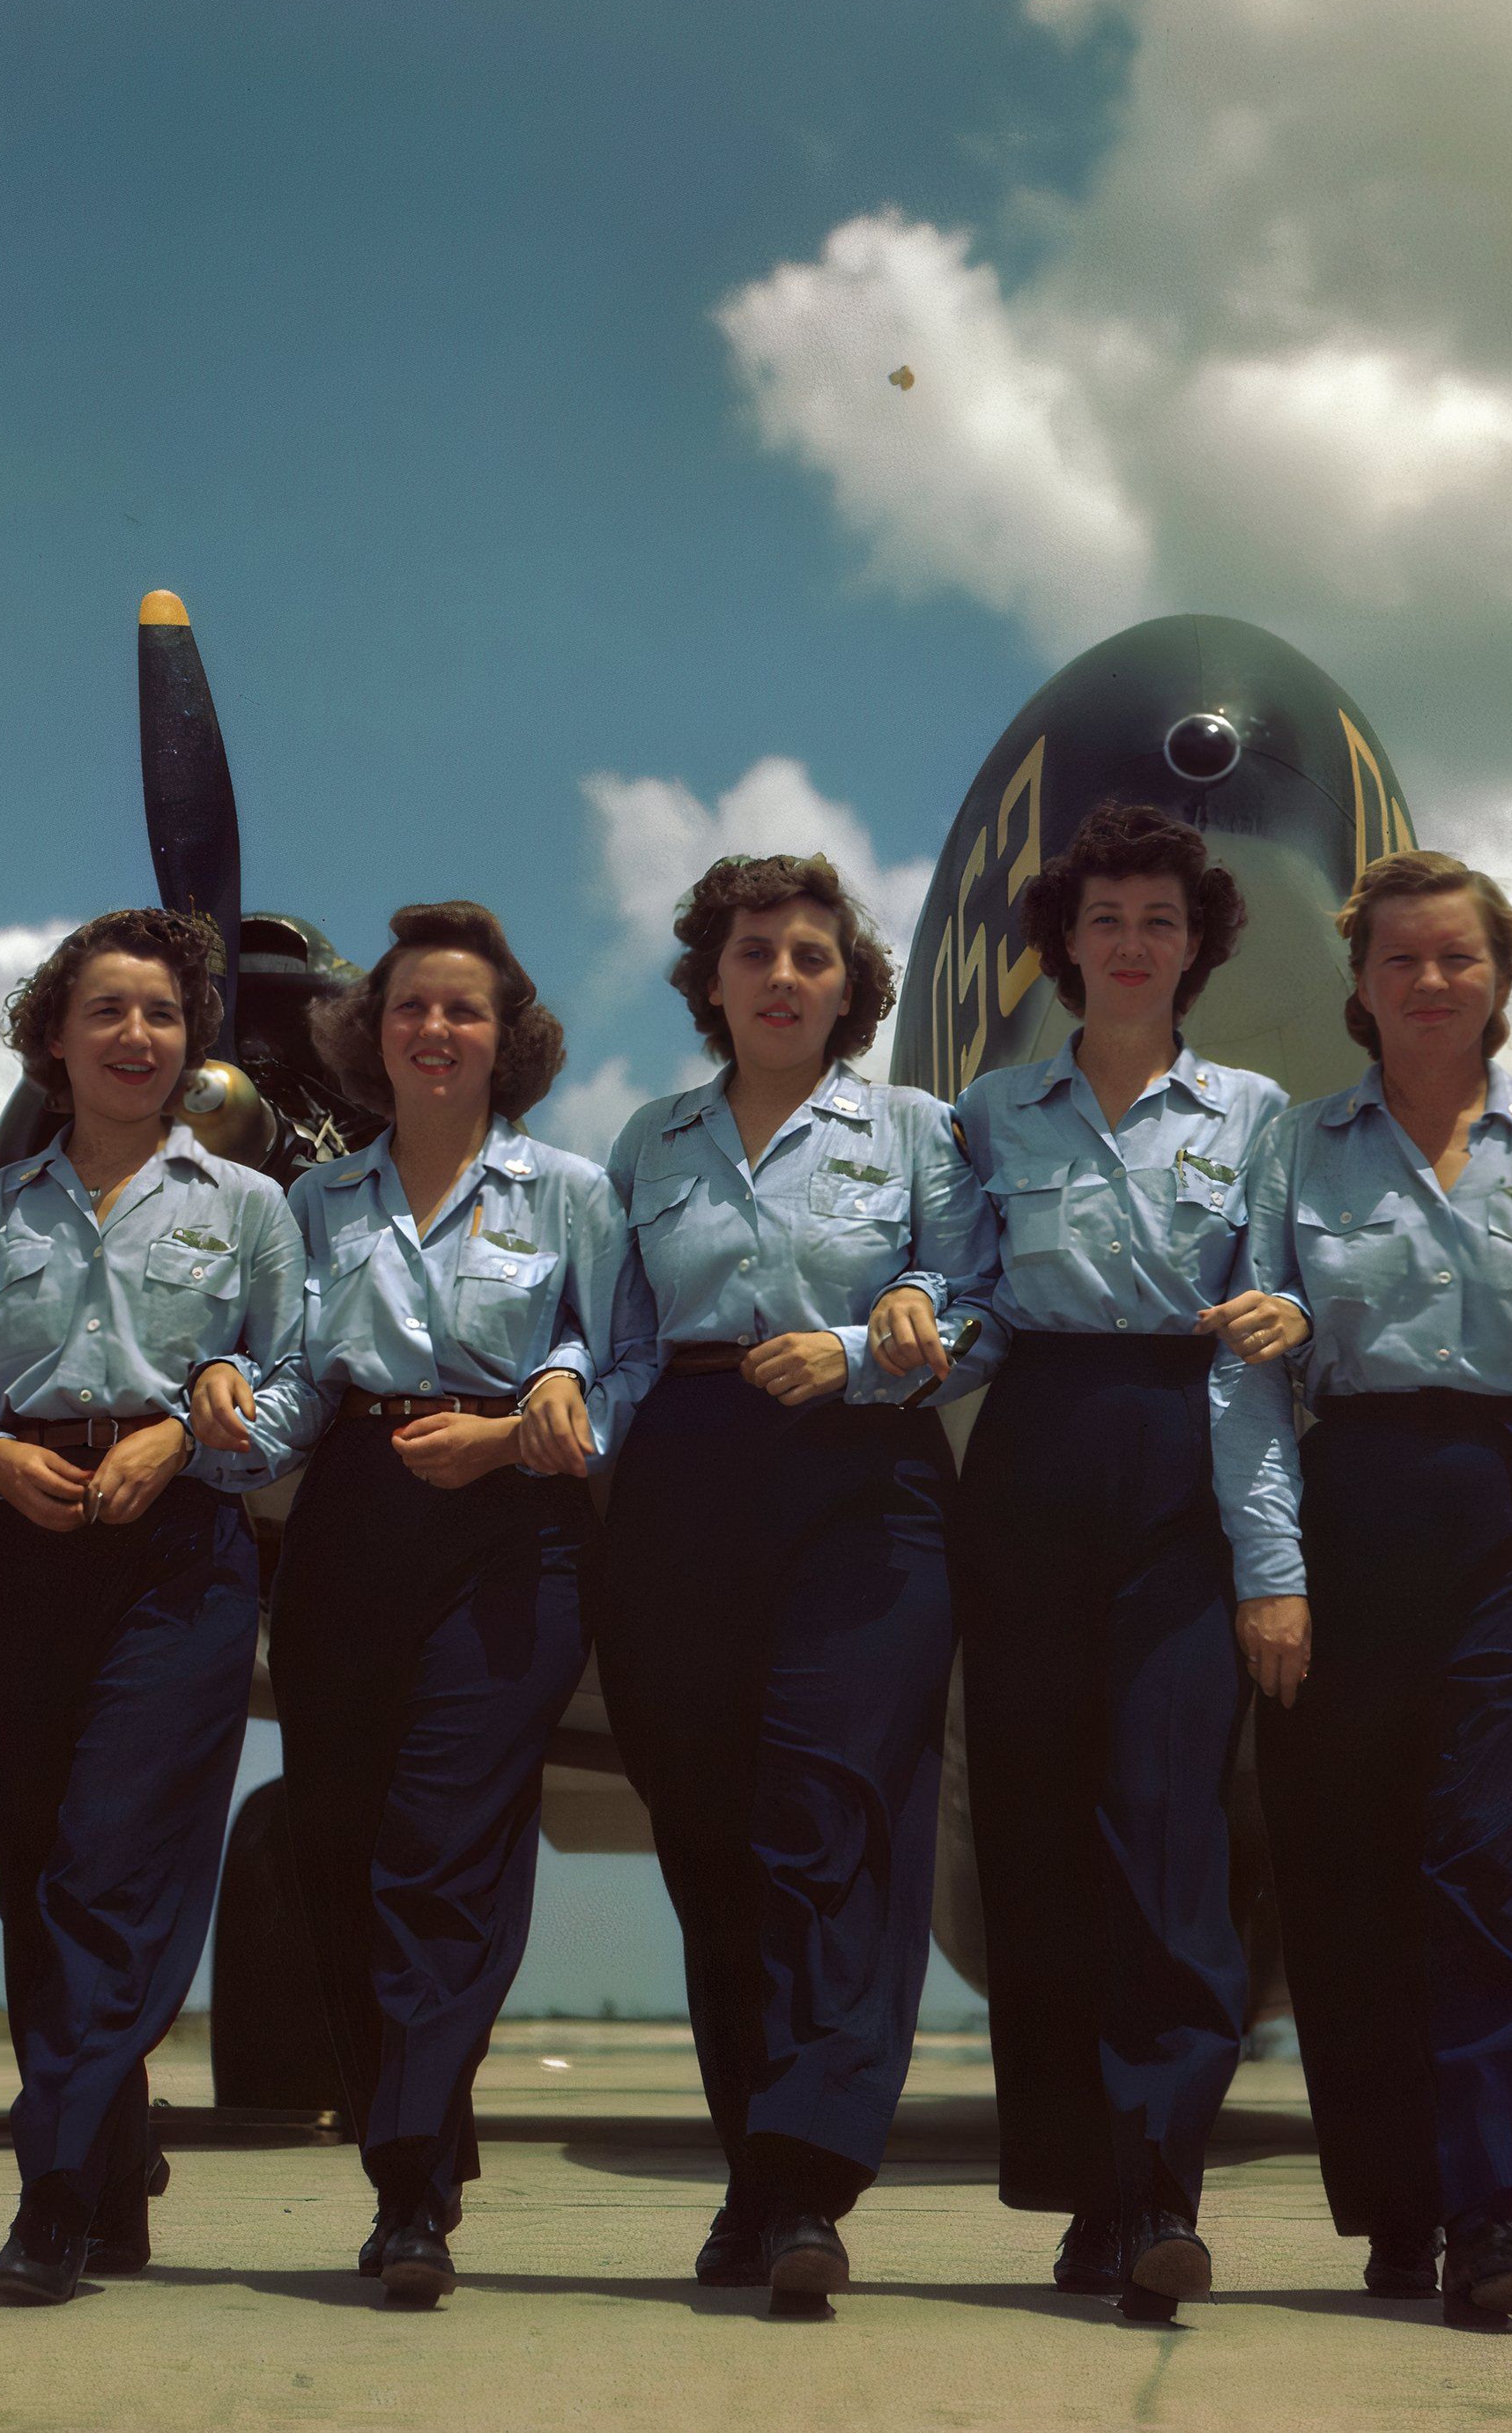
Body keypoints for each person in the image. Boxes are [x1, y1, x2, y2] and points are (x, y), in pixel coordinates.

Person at [1218, 849, 1512, 2326]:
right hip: (1350, 1518)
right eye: (1399, 959)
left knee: (1496, 1867)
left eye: (1455, 959)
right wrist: (1271, 1575)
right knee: (1344, 1876)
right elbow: (1251, 1375)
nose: (1428, 982)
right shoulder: (1297, 1147)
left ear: (1498, 981)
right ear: (1356, 985)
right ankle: (1391, 2210)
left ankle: (1490, 2211)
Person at [594, 853, 992, 2311]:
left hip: (861, 1479)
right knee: (706, 1832)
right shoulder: (650, 1139)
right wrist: (555, 1407)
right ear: (711, 978)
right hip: (684, 1476)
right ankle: (752, 2163)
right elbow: (621, 1339)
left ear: (849, 988)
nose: (779, 974)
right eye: (753, 949)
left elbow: (982, 1301)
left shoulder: (916, 1132)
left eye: (811, 954)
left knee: (824, 1814)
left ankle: (806, 2177)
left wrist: (879, 1336)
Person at [0, 908, 312, 2304]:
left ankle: (50, 2187)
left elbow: (295, 1392)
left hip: (180, 1554)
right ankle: (113, 2160)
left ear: (189, 1043)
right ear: (54, 1040)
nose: (135, 1035)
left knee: (106, 1868)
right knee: (34, 1868)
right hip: (24, 1553)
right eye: (106, 1012)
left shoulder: (251, 1208)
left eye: (159, 1014)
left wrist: (198, 1434)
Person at [946, 804, 1295, 2321]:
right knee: (1030, 1828)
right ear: (1064, 946)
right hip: (1029, 1442)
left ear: (1195, 944)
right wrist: (890, 1329)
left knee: (1166, 1825)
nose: (1132, 943)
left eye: (1159, 918)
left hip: (1183, 1442)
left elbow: (1281, 1310)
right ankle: (1078, 2189)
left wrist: (1267, 1543)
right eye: (1105, 919)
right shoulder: (990, 1114)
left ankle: (1159, 2179)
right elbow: (963, 1301)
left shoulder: (1260, 1115)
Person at [263, 901, 632, 2308]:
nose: (434, 1028)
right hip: (352, 1514)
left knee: (443, 1845)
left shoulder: (573, 1194)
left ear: (507, 1038)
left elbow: (628, 1360)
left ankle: (408, 2181)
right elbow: (297, 1384)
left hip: (511, 1525)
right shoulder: (316, 1204)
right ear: (374, 1035)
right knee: (345, 1852)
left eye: (463, 1008)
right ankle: (412, 2136)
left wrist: (549, 1400)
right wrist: (220, 1414)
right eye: (411, 1005)